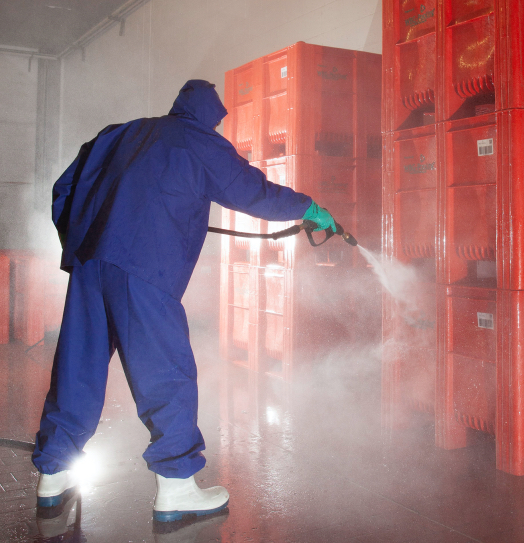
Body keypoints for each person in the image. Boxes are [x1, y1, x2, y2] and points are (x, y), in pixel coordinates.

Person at [32, 79, 336, 521]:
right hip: (144, 267)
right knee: (165, 370)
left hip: (90, 265)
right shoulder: (199, 142)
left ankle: (53, 475)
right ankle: (176, 486)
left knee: (78, 367)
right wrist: (307, 207)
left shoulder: (121, 133)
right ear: (211, 116)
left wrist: (81, 237)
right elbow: (252, 191)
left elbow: (65, 187)